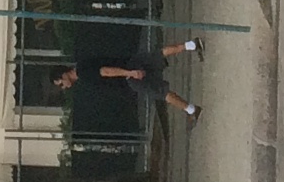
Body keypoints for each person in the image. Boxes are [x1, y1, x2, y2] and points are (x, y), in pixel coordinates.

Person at [54, 38, 205, 123]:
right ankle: (191, 45)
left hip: (128, 77)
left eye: (61, 83)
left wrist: (130, 73)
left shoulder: (84, 74)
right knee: (158, 54)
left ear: (64, 75)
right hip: (129, 62)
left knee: (161, 92)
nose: (64, 87)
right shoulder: (82, 63)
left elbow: (106, 71)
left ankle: (191, 110)